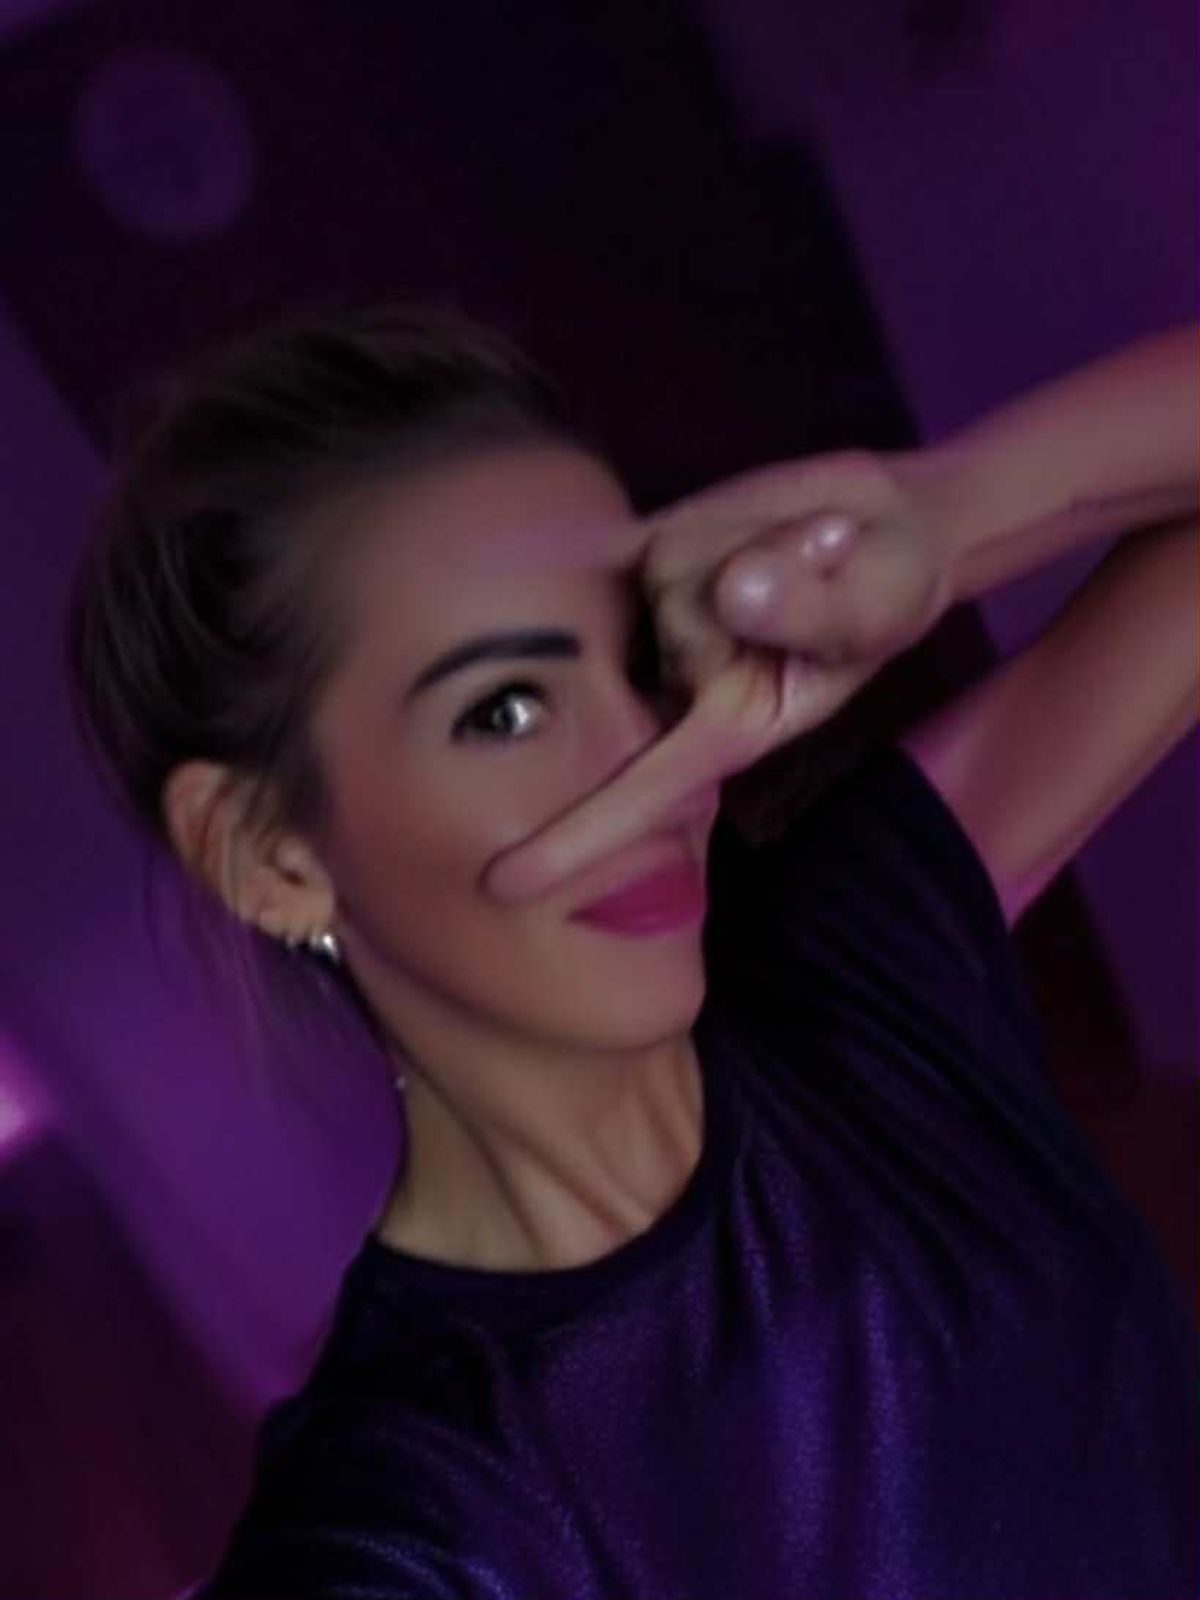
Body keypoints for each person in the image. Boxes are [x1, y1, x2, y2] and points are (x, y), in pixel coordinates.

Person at [63, 301, 1196, 1599]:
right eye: (507, 709)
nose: (657, 768)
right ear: (270, 854)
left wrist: (944, 518)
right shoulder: (408, 1523)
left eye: (645, 664)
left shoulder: (860, 959)